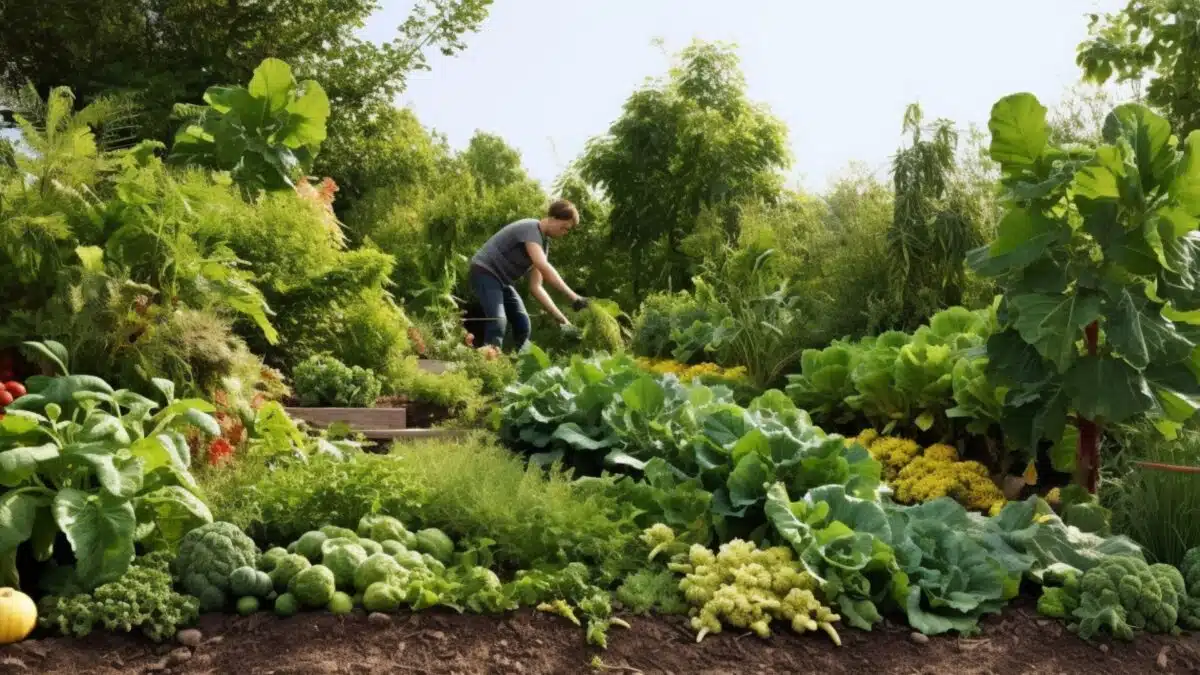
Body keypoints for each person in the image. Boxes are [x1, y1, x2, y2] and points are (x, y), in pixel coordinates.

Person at [468, 199, 589, 351]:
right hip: (485, 271)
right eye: (564, 227)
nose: (564, 233)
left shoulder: (542, 247)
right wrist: (574, 297)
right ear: (554, 218)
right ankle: (487, 365)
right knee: (498, 321)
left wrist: (563, 320)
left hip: (503, 282)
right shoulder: (530, 228)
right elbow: (543, 266)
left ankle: (518, 365)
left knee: (523, 324)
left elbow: (536, 287)